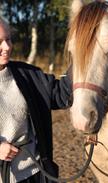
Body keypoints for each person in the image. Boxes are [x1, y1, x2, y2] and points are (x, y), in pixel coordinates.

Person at [0, 17, 72, 183]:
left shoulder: (28, 75)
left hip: (36, 173)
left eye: (8, 39)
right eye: (0, 41)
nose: (7, 47)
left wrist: (84, 56)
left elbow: (62, 95)